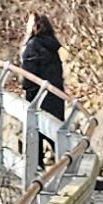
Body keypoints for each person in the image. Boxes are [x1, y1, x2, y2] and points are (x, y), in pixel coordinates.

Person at [17, 11, 66, 161]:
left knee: (35, 132)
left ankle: (36, 168)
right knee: (56, 131)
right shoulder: (52, 44)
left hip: (38, 96)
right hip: (56, 94)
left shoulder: (33, 46)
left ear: (35, 27)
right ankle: (64, 163)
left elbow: (28, 75)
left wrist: (25, 89)